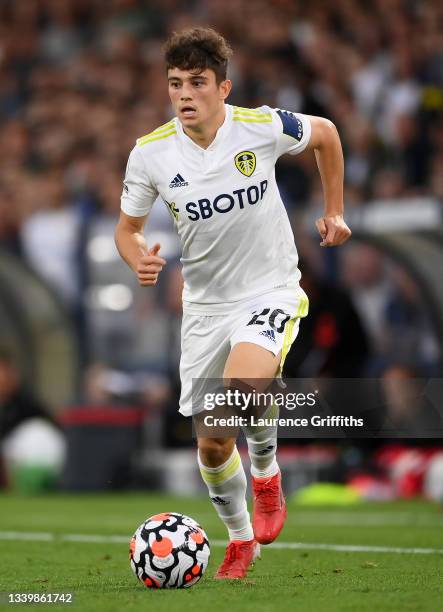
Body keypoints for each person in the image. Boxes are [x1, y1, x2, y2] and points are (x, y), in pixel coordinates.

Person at [115, 27, 351, 580]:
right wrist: (135, 258)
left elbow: (328, 135)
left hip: (269, 288)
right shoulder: (150, 154)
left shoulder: (259, 126)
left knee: (244, 389)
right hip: (205, 307)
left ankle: (267, 471)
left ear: (224, 87)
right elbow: (126, 230)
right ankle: (241, 539)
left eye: (197, 82)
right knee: (215, 443)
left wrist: (335, 209)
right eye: (175, 84)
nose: (184, 94)